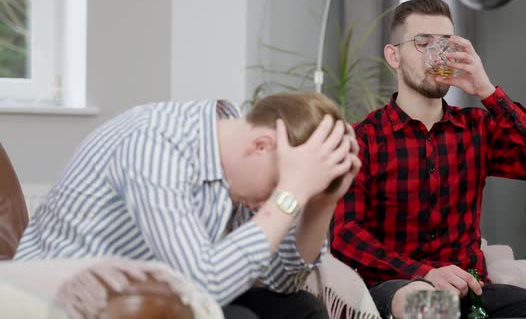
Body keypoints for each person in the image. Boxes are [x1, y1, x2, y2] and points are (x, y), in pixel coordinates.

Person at [15, 91, 361, 319]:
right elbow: (203, 283)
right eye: (277, 185)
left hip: (156, 291)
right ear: (261, 145)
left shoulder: (235, 168)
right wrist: (291, 192)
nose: (275, 199)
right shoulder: (153, 143)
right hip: (61, 297)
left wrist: (322, 202)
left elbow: (281, 281)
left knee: (300, 309)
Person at [330, 0, 526, 319]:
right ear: (394, 56)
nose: (437, 53)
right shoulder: (363, 139)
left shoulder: (476, 128)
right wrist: (425, 272)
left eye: (446, 43)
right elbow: (345, 235)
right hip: (399, 288)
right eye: (422, 42)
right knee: (430, 307)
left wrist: (487, 91)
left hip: (473, 294)